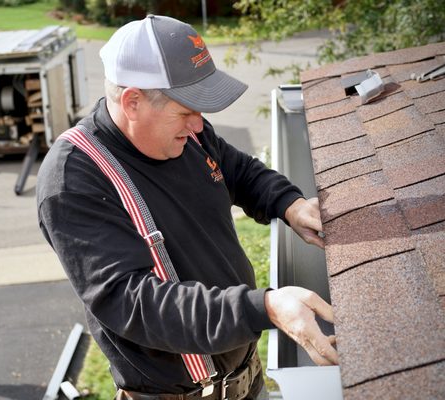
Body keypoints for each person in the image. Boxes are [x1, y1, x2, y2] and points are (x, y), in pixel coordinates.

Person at [37, 15, 338, 400]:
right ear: (132, 101)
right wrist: (263, 308)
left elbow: (238, 170)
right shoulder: (74, 181)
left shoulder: (187, 135)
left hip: (248, 382)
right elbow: (134, 302)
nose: (199, 125)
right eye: (186, 111)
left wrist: (290, 204)